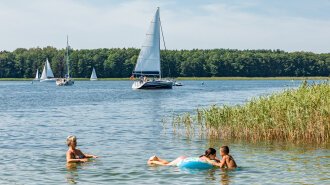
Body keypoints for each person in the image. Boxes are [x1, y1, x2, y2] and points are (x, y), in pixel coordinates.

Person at [147, 148, 220, 166]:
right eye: (215, 155)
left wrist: (220, 160)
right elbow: (210, 161)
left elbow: (214, 159)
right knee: (168, 165)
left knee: (170, 163)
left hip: (183, 158)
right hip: (183, 160)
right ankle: (152, 161)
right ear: (210, 155)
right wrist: (218, 165)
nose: (215, 156)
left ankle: (157, 158)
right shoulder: (206, 158)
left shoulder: (204, 156)